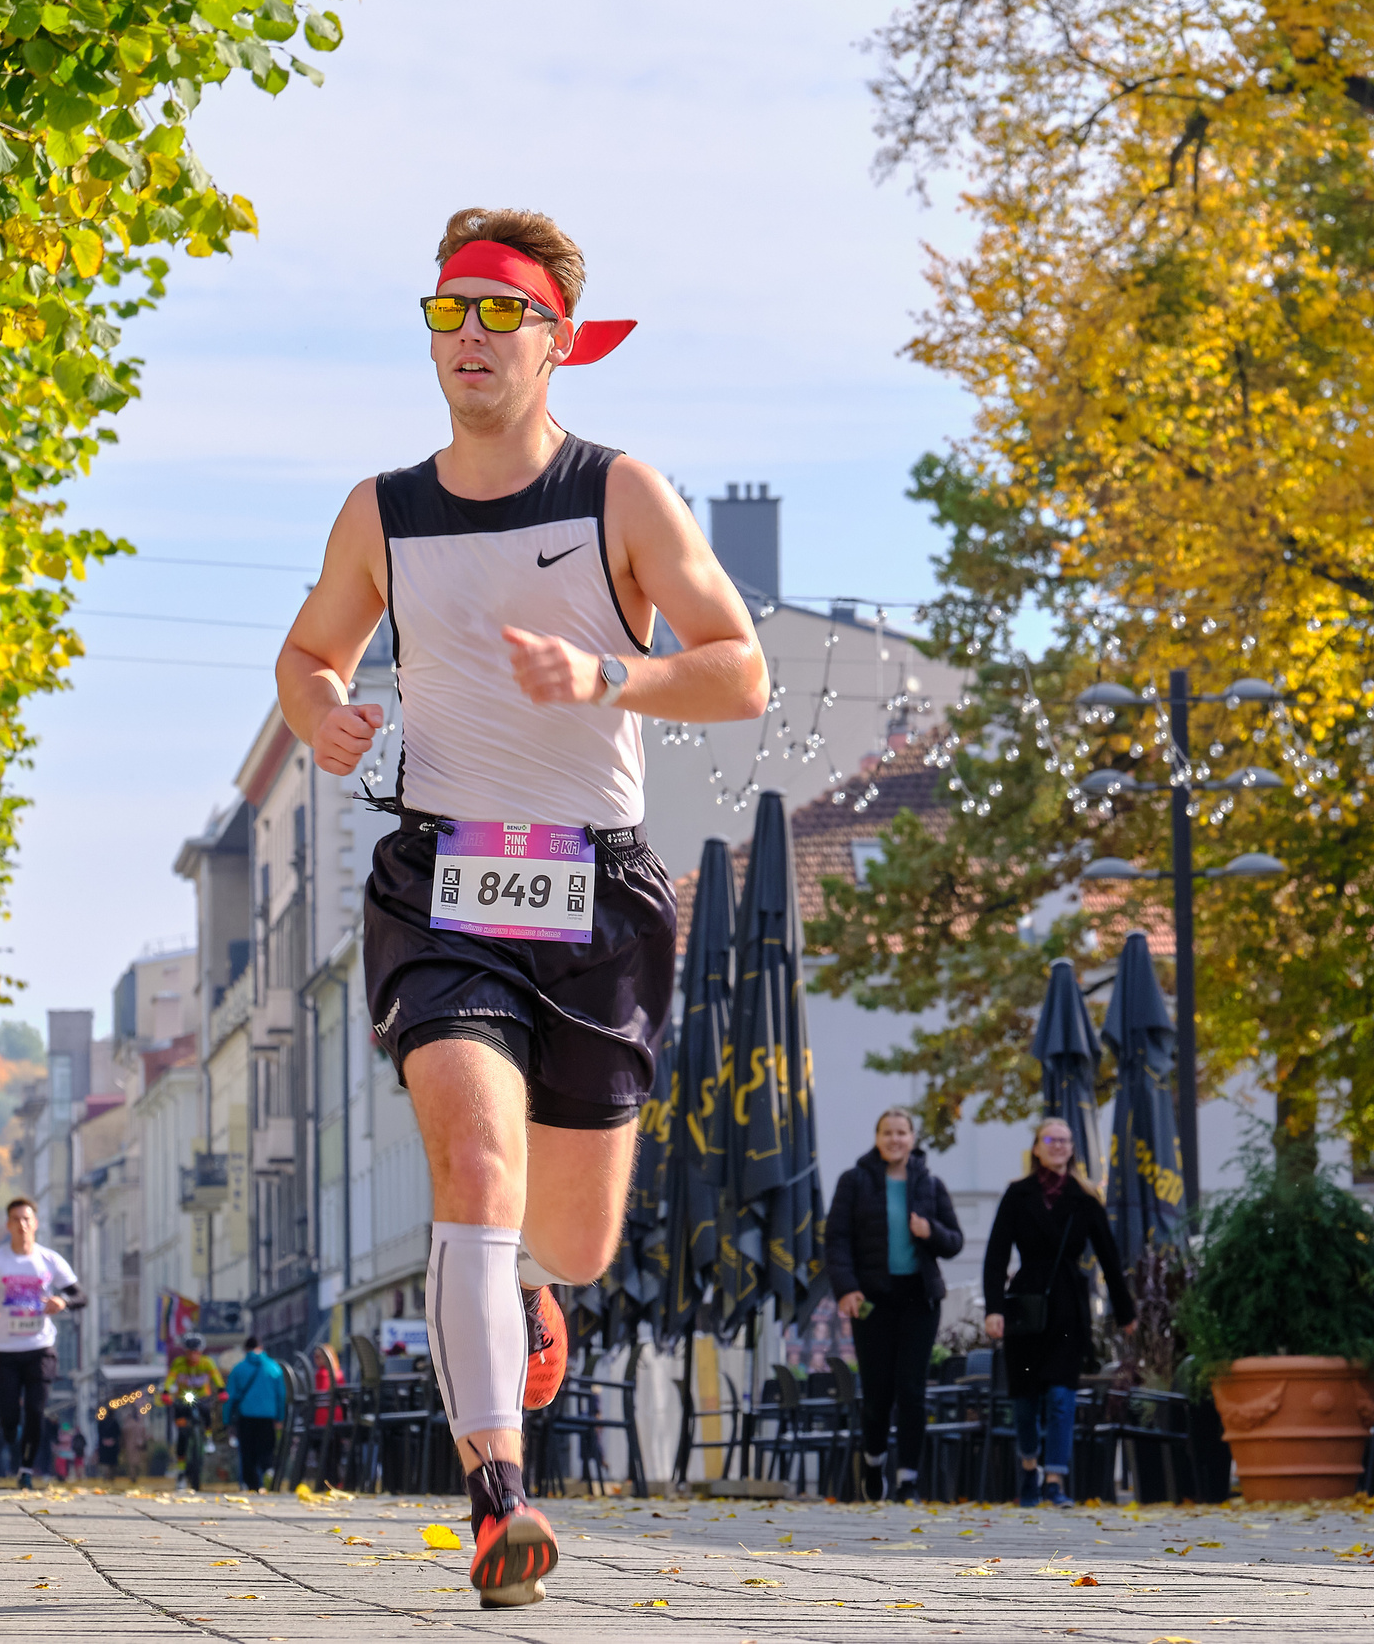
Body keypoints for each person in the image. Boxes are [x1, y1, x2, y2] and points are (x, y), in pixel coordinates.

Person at [274, 206, 767, 1608]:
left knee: (573, 1238)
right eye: (448, 313)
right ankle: (500, 1493)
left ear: (559, 341)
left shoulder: (622, 494)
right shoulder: (384, 509)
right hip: (441, 883)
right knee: (473, 1169)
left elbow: (740, 672)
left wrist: (613, 677)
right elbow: (309, 651)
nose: (471, 337)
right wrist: (322, 710)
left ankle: (525, 1300)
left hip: (595, 889)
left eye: (499, 313)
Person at [982, 1116, 1137, 1507]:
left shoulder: (1085, 1198)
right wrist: (993, 1308)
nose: (1058, 1145)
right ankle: (1029, 1467)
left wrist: (1125, 1312)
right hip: (1025, 1306)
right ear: (1036, 1147)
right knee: (1024, 1397)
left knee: (1061, 1395)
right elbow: (996, 1253)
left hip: (1069, 1304)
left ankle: (1054, 1479)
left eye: (1065, 1140)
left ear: (1072, 1148)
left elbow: (1109, 1258)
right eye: (1050, 1139)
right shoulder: (1017, 1195)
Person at [823, 1108, 966, 1500]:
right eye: (888, 1132)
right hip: (873, 1299)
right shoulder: (854, 1181)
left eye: (902, 1132)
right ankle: (873, 1464)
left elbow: (954, 1241)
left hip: (920, 1298)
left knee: (912, 1390)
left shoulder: (931, 1185)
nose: (895, 1139)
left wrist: (930, 1230)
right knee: (877, 1392)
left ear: (912, 1139)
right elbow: (835, 1240)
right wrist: (846, 1289)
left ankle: (908, 1480)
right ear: (877, 1138)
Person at [0, 1196, 85, 1491]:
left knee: (35, 1409)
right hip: (3, 1350)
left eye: (27, 1219)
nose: (22, 1225)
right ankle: (14, 1442)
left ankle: (26, 1471)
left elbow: (81, 1296)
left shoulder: (49, 1260)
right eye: (16, 1220)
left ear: (35, 1224)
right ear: (8, 1225)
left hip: (40, 1346)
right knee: (9, 1416)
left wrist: (62, 1301)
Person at [224, 1335, 289, 1493]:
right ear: (261, 1348)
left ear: (246, 1350)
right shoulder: (274, 1368)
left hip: (246, 1416)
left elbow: (230, 1397)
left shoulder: (238, 1369)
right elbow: (281, 1395)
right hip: (268, 1416)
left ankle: (251, 1485)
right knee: (266, 1448)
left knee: (248, 1452)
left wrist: (226, 1420)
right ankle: (268, 1471)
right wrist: (280, 1417)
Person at [165, 1333, 225, 1491]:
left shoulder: (207, 1363)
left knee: (206, 1411)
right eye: (190, 1352)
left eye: (196, 1352)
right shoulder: (179, 1363)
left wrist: (221, 1389)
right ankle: (181, 1470)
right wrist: (166, 1391)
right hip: (183, 1398)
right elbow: (171, 1378)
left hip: (202, 1397)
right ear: (186, 1352)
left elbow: (216, 1376)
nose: (193, 1355)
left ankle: (208, 1436)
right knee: (182, 1434)